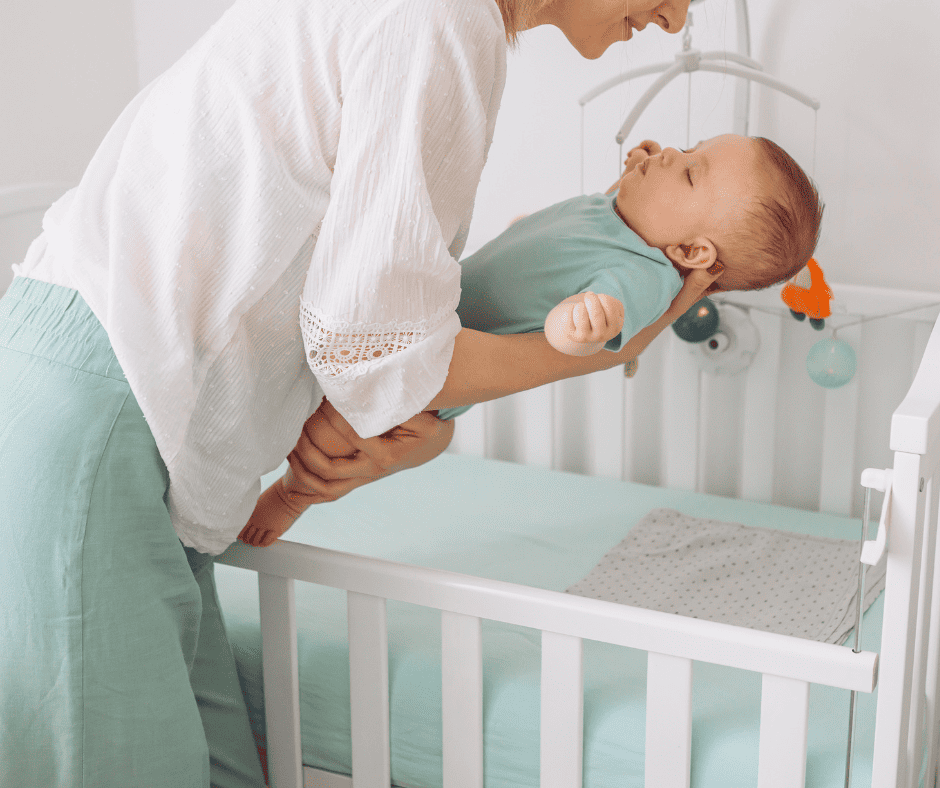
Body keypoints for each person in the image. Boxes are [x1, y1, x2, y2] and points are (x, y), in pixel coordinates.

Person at [0, 1, 714, 787]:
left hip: (131, 412)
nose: (678, 17)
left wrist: (412, 415)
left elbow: (357, 320)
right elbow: (371, 345)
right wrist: (585, 359)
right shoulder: (438, 22)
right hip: (108, 410)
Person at [239, 133, 823, 548]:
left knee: (332, 436)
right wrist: (645, 169)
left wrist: (583, 323)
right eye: (690, 147)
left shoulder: (643, 275)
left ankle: (292, 496)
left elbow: (607, 325)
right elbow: (611, 215)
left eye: (691, 171)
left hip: (427, 384)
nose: (672, 152)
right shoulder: (617, 215)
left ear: (693, 255)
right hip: (421, 320)